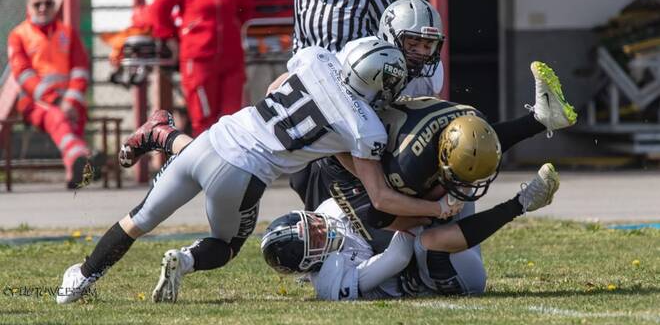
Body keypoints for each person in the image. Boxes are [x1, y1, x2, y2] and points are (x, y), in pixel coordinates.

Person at [57, 40, 455, 305]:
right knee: (226, 246)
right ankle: (186, 258)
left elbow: (274, 91)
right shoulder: (363, 125)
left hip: (216, 137)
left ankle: (79, 280)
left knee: (138, 219)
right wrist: (439, 211)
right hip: (242, 173)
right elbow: (382, 198)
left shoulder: (316, 59)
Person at [261, 160, 559, 300]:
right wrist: (429, 208)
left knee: (461, 171)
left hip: (430, 240)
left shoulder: (327, 209)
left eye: (309, 222)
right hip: (438, 276)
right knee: (427, 240)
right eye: (313, 237)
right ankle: (523, 203)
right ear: (307, 263)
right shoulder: (330, 281)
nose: (319, 227)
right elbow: (398, 256)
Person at [7, 0, 103, 189]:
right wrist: (57, 101)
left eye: (48, 3)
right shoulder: (18, 35)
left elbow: (81, 70)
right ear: (28, 7)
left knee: (73, 117)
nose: (43, 8)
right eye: (37, 4)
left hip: (69, 101)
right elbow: (23, 75)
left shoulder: (68, 33)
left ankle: (75, 174)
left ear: (54, 5)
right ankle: (84, 156)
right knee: (57, 117)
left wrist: (69, 101)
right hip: (34, 103)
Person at [150, 0, 254, 136]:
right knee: (204, 119)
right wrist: (171, 39)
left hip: (232, 60)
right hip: (198, 60)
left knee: (233, 116)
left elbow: (247, 12)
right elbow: (159, 10)